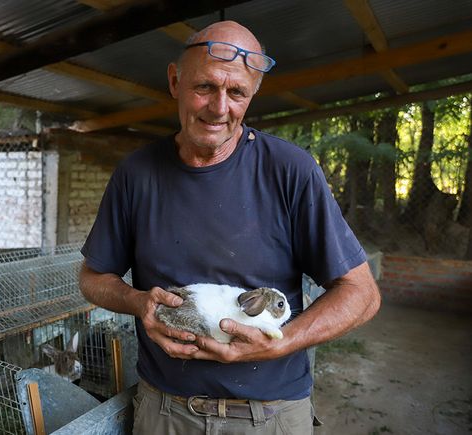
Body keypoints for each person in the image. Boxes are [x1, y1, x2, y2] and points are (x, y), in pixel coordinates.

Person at [78, 20, 381, 434]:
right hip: (164, 411)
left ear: (252, 94)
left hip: (269, 415)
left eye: (237, 92)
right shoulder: (137, 174)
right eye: (205, 87)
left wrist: (281, 342)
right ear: (174, 81)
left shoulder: (290, 170)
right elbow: (93, 277)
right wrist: (138, 302)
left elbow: (362, 294)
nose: (219, 108)